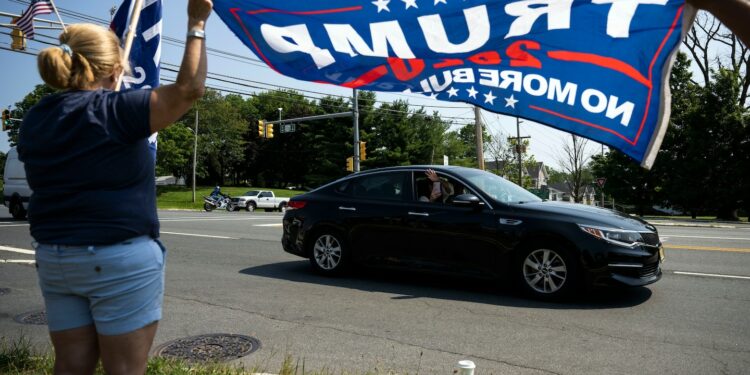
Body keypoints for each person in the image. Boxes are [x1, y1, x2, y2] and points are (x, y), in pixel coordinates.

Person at [17, 0, 211, 374]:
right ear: (115, 69)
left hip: (56, 258)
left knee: (71, 364)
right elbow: (189, 89)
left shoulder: (36, 118)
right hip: (118, 258)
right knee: (124, 370)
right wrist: (196, 22)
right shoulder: (118, 110)